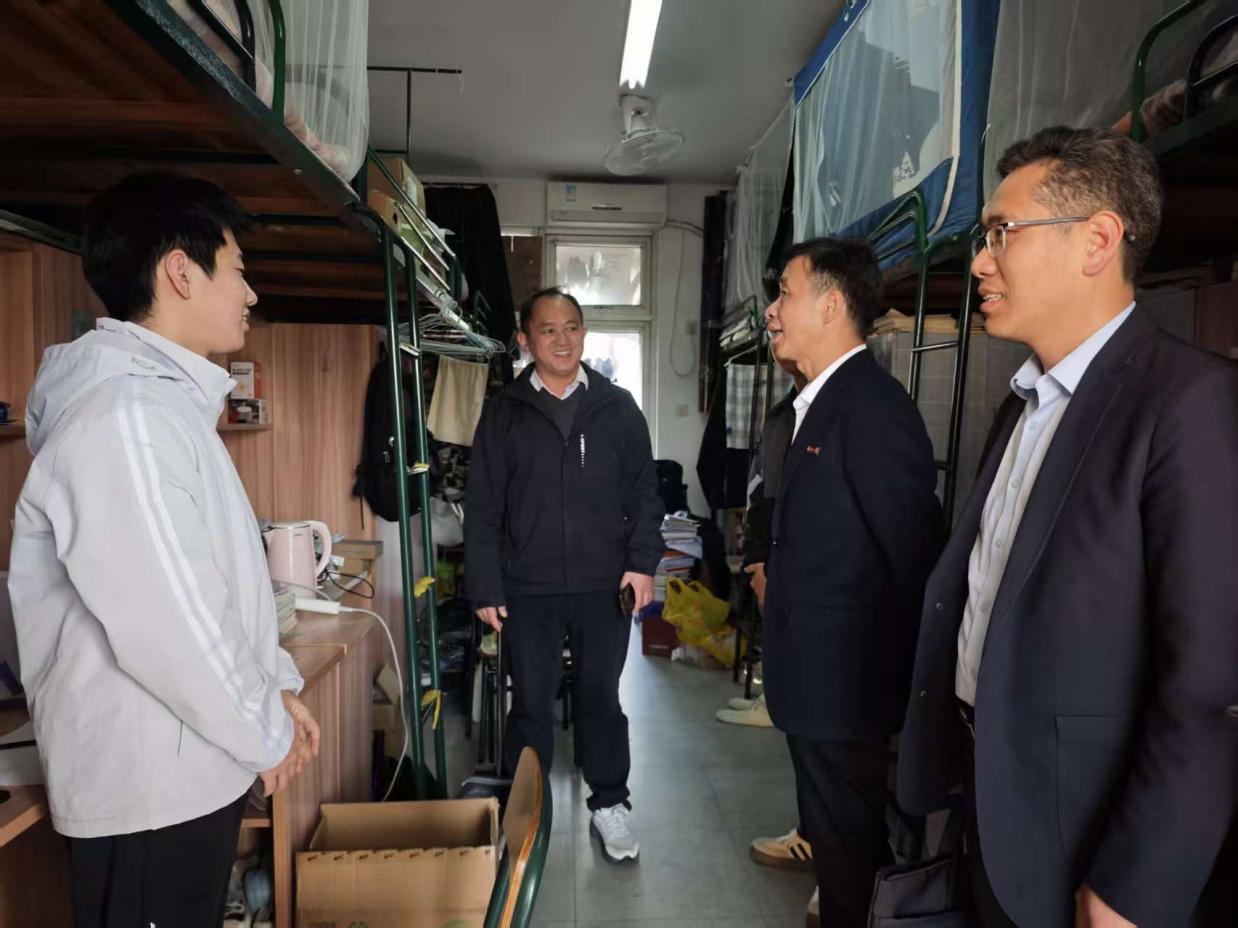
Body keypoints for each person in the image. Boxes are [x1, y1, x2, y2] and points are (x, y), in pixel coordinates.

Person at [897, 126, 1238, 927]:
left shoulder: (1189, 404)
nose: (980, 263)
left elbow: (1208, 689)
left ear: (1096, 241)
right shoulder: (1024, 404)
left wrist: (1133, 887)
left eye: (1002, 233)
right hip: (992, 797)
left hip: (1088, 838)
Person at [7, 173, 318, 928]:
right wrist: (265, 732)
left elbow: (216, 591)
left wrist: (274, 686)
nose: (250, 293)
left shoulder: (159, 409)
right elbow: (174, 627)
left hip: (181, 775)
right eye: (239, 270)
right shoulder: (127, 420)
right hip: (150, 791)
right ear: (181, 271)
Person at [761, 238, 943, 927]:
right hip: (817, 683)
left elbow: (914, 557)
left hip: (847, 689)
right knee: (838, 848)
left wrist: (910, 689)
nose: (772, 311)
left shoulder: (870, 408)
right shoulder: (817, 403)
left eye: (785, 294)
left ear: (832, 307)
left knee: (851, 854)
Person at [465, 287, 664, 862]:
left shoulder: (617, 407)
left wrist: (641, 563)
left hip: (605, 584)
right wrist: (485, 583)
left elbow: (644, 495)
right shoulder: (504, 411)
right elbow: (482, 505)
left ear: (584, 334)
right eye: (548, 329)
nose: (562, 339)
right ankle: (525, 812)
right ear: (525, 339)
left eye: (572, 327)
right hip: (527, 586)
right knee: (530, 702)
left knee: (601, 696)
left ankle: (610, 804)